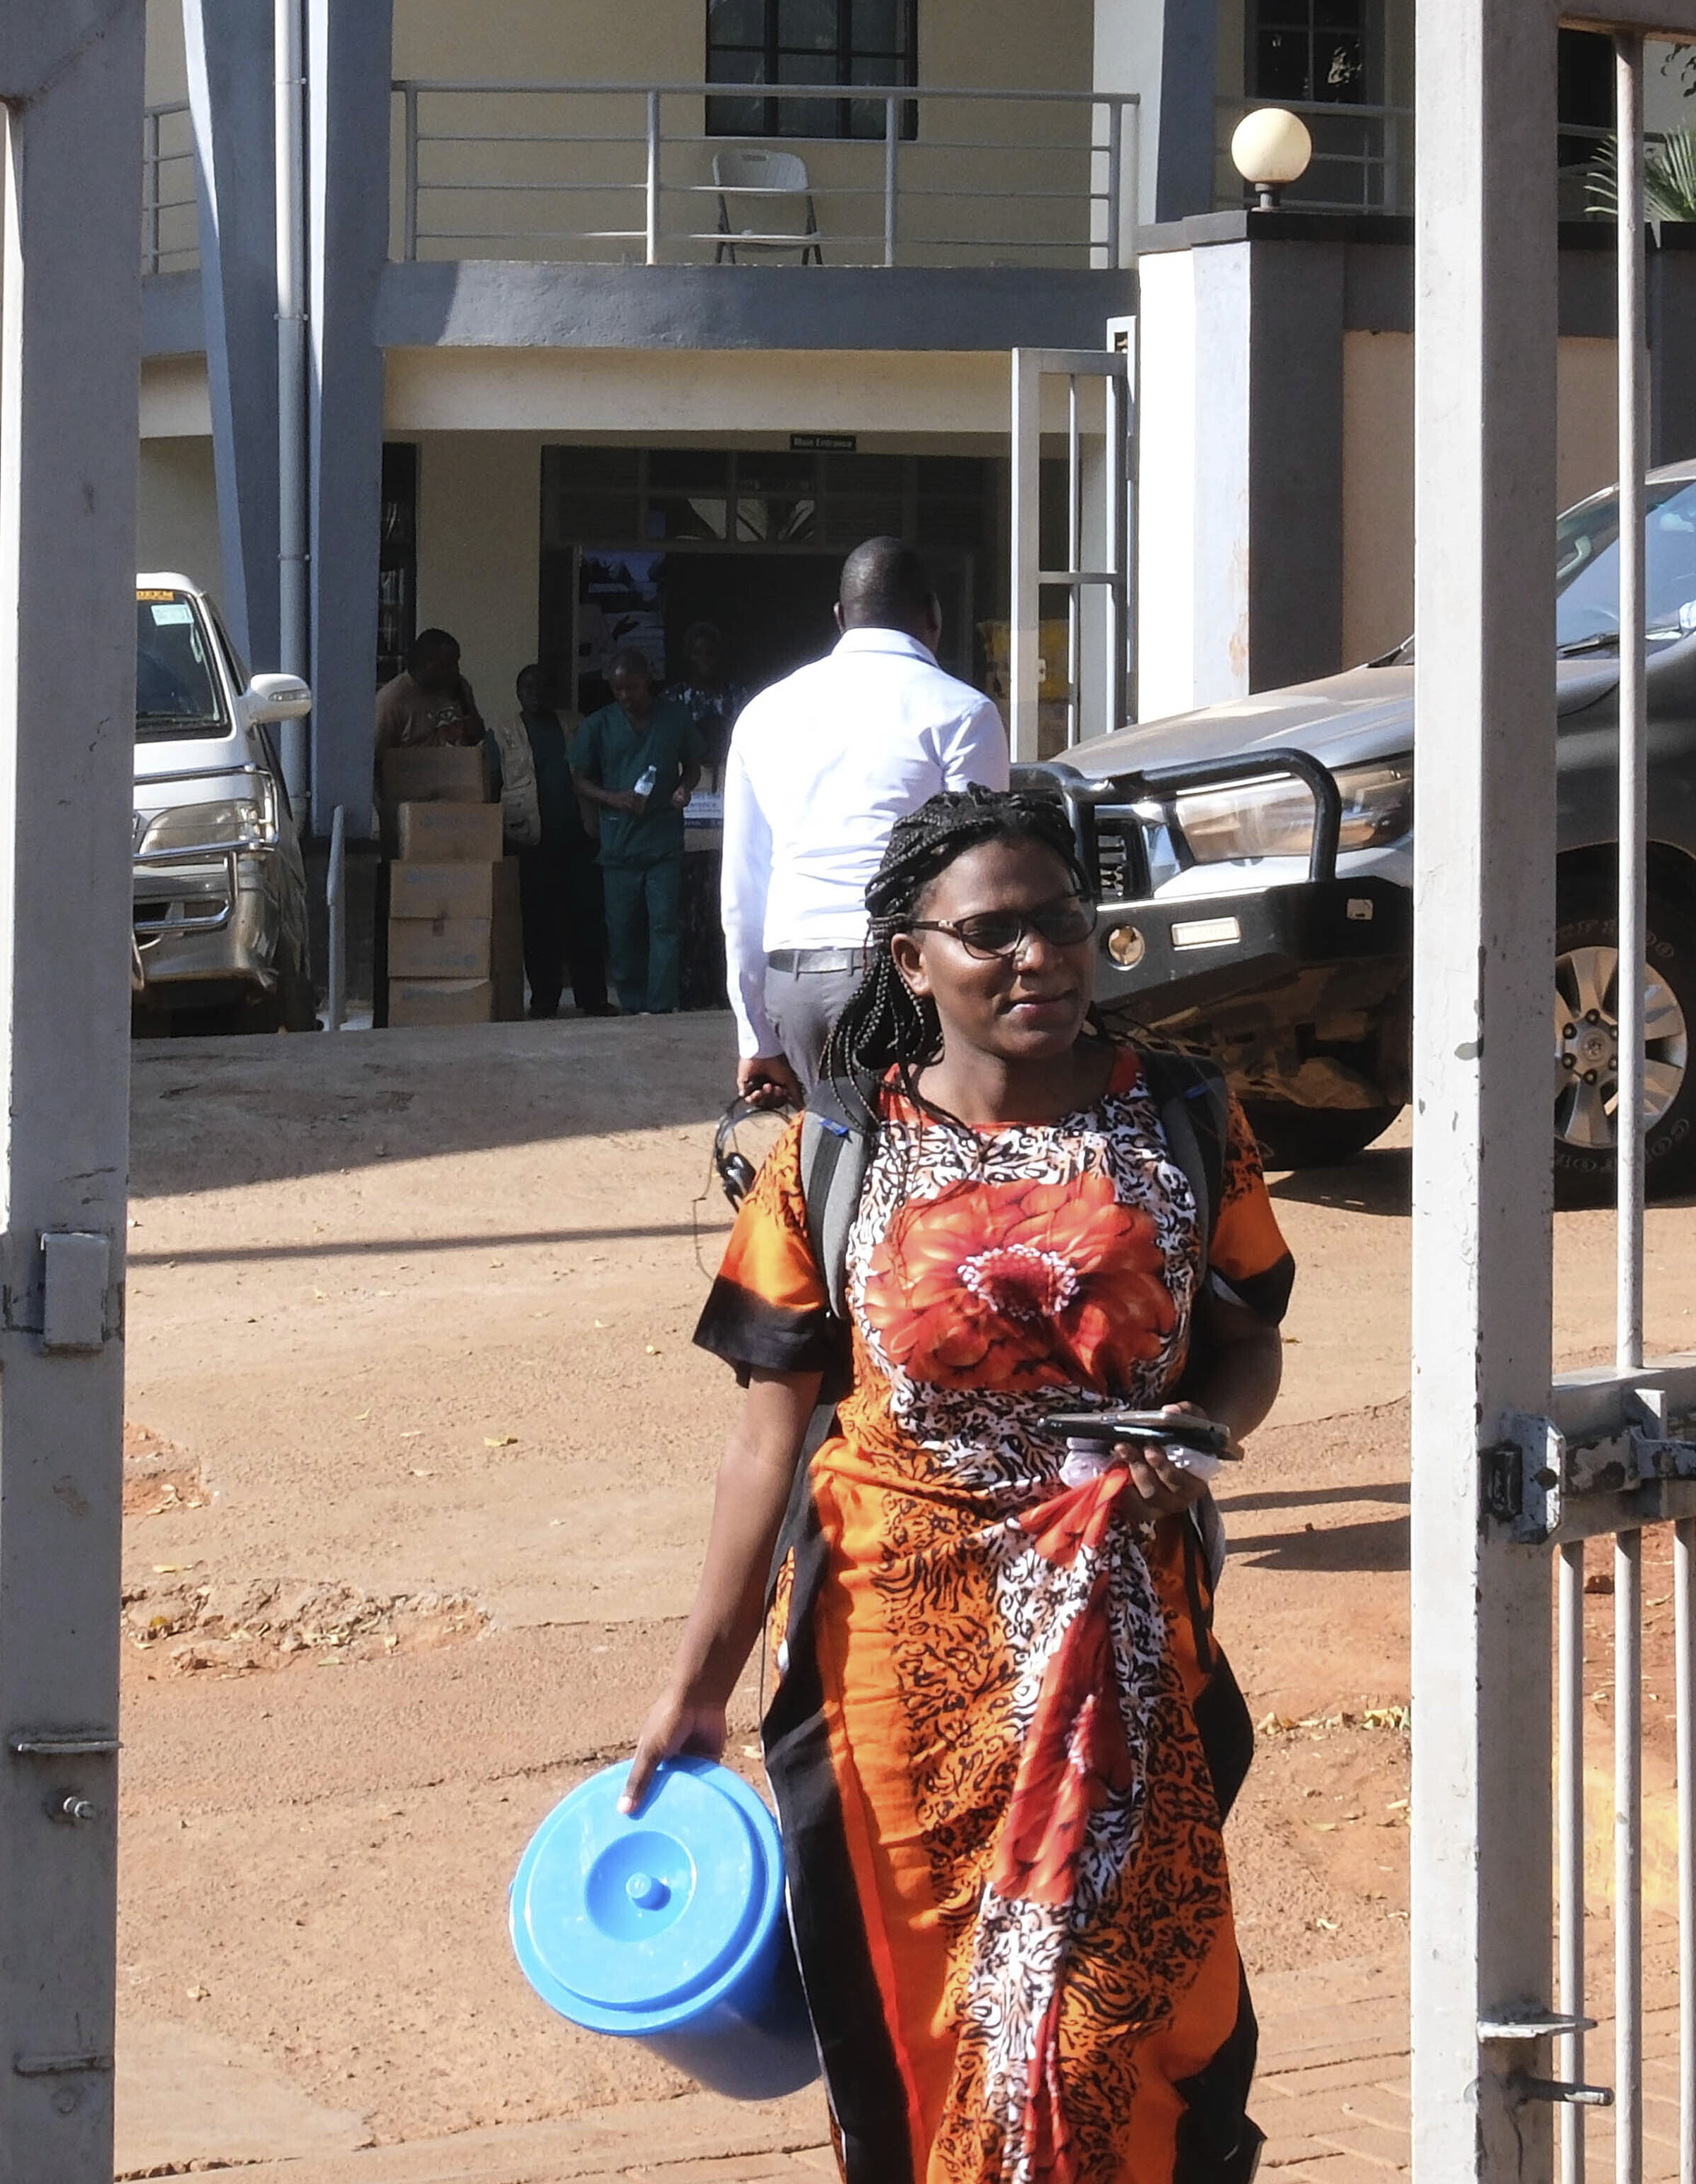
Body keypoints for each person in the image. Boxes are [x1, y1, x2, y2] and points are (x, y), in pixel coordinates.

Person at [632, 786, 1291, 2183]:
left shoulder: (1182, 1118)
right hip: (894, 1677)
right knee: (930, 2041)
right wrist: (698, 1682)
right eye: (992, 933)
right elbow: (768, 1440)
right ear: (910, 957)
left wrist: (1200, 1437)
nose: (1038, 958)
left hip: (1126, 1658)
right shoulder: (830, 1159)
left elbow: (1248, 1336)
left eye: (1060, 924)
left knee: (1125, 2026)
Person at [722, 538, 1008, 1106]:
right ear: (933, 615)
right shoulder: (961, 712)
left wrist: (755, 1032)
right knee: (914, 1161)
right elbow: (982, 873)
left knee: (828, 1155)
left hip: (793, 981)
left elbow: (741, 890)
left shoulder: (764, 714)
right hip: (904, 975)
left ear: (839, 618)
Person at [566, 650, 696, 1015]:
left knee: (664, 927)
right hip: (619, 845)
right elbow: (578, 778)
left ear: (649, 681)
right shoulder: (599, 725)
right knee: (623, 932)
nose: (625, 696)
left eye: (632, 688)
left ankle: (660, 1005)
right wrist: (612, 798)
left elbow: (693, 765)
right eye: (618, 689)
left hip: (662, 842)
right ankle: (632, 1001)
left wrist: (684, 788)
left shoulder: (675, 718)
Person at [509, 662, 607, 1020]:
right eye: (528, 688)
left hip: (580, 840)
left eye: (542, 687)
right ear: (518, 693)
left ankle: (592, 998)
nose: (536, 694)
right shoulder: (505, 733)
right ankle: (544, 999)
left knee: (586, 922)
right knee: (539, 926)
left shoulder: (576, 725)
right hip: (532, 843)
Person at [376, 626, 485, 753]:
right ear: (424, 665)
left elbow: (477, 735)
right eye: (447, 665)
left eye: (456, 662)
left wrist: (469, 709)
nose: (456, 670)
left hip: (460, 767)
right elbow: (376, 757)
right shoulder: (392, 700)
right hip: (416, 770)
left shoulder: (458, 685)